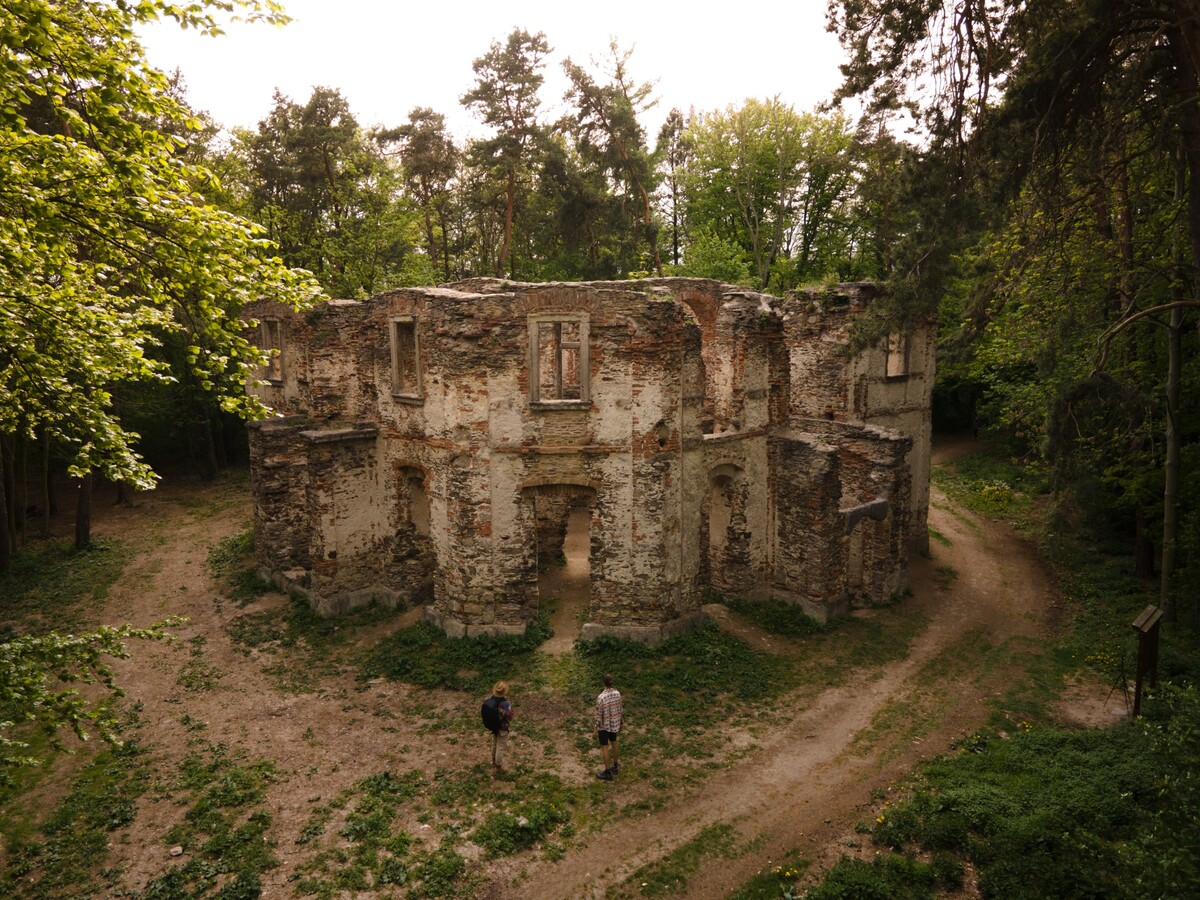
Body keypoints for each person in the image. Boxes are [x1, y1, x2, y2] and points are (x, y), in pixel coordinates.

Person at [594, 673, 622, 780]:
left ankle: (607, 772)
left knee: (604, 747)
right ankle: (615, 766)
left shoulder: (601, 697)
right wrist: (621, 721)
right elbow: (620, 709)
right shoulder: (617, 694)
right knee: (614, 742)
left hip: (604, 726)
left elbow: (599, 715)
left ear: (603, 683)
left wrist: (595, 728)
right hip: (614, 723)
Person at [486, 681, 514, 773]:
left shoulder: (490, 699)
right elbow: (510, 716)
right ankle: (498, 766)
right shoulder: (505, 704)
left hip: (493, 726)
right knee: (501, 746)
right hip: (502, 727)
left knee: (494, 743)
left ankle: (493, 761)